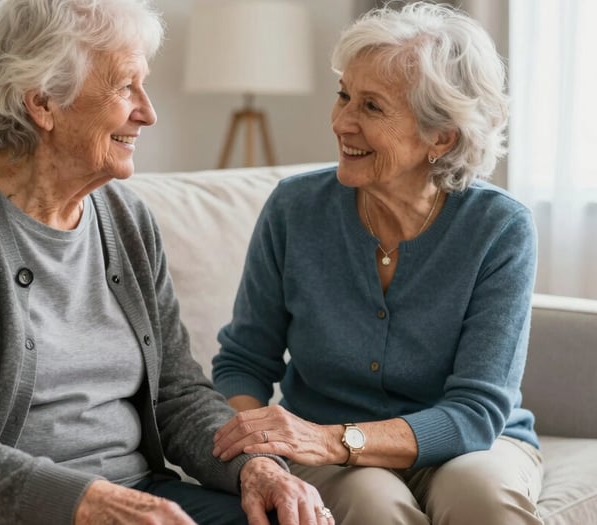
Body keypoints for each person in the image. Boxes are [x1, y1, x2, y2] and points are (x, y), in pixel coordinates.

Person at [0, 1, 333, 524]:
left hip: (133, 493)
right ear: (43, 103)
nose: (148, 111)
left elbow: (178, 394)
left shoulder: (127, 219)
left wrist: (259, 468)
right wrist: (88, 502)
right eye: (125, 87)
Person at [210, 2, 543, 524]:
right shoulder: (295, 209)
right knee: (372, 503)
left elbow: (476, 412)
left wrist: (336, 440)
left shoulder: (499, 228)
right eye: (344, 95)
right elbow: (244, 362)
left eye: (371, 106)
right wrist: (260, 456)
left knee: (481, 497)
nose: (342, 122)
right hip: (325, 447)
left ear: (442, 136)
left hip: (468, 444)